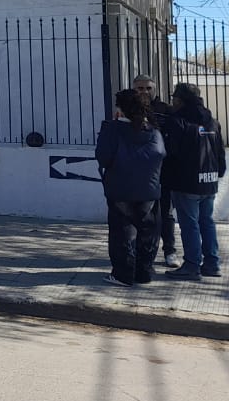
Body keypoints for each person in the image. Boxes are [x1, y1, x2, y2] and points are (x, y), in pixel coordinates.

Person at [95, 88, 165, 287]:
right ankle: (144, 272)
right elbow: (161, 155)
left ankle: (123, 275)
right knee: (148, 232)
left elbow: (103, 157)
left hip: (120, 189)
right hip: (148, 190)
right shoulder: (153, 131)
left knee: (122, 232)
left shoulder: (113, 129)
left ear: (120, 109)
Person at [160, 82, 225, 280]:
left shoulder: (177, 121)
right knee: (207, 221)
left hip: (185, 181)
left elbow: (171, 152)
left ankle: (192, 265)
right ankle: (212, 264)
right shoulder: (212, 121)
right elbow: (219, 151)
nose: (173, 101)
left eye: (174, 98)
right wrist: (218, 172)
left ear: (180, 100)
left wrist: (166, 176)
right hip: (209, 180)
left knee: (190, 224)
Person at [132, 74, 180, 268]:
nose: (144, 91)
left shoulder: (167, 110)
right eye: (140, 88)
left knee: (166, 213)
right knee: (140, 215)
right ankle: (143, 254)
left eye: (148, 88)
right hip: (138, 172)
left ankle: (170, 251)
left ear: (155, 90)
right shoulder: (128, 110)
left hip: (164, 170)